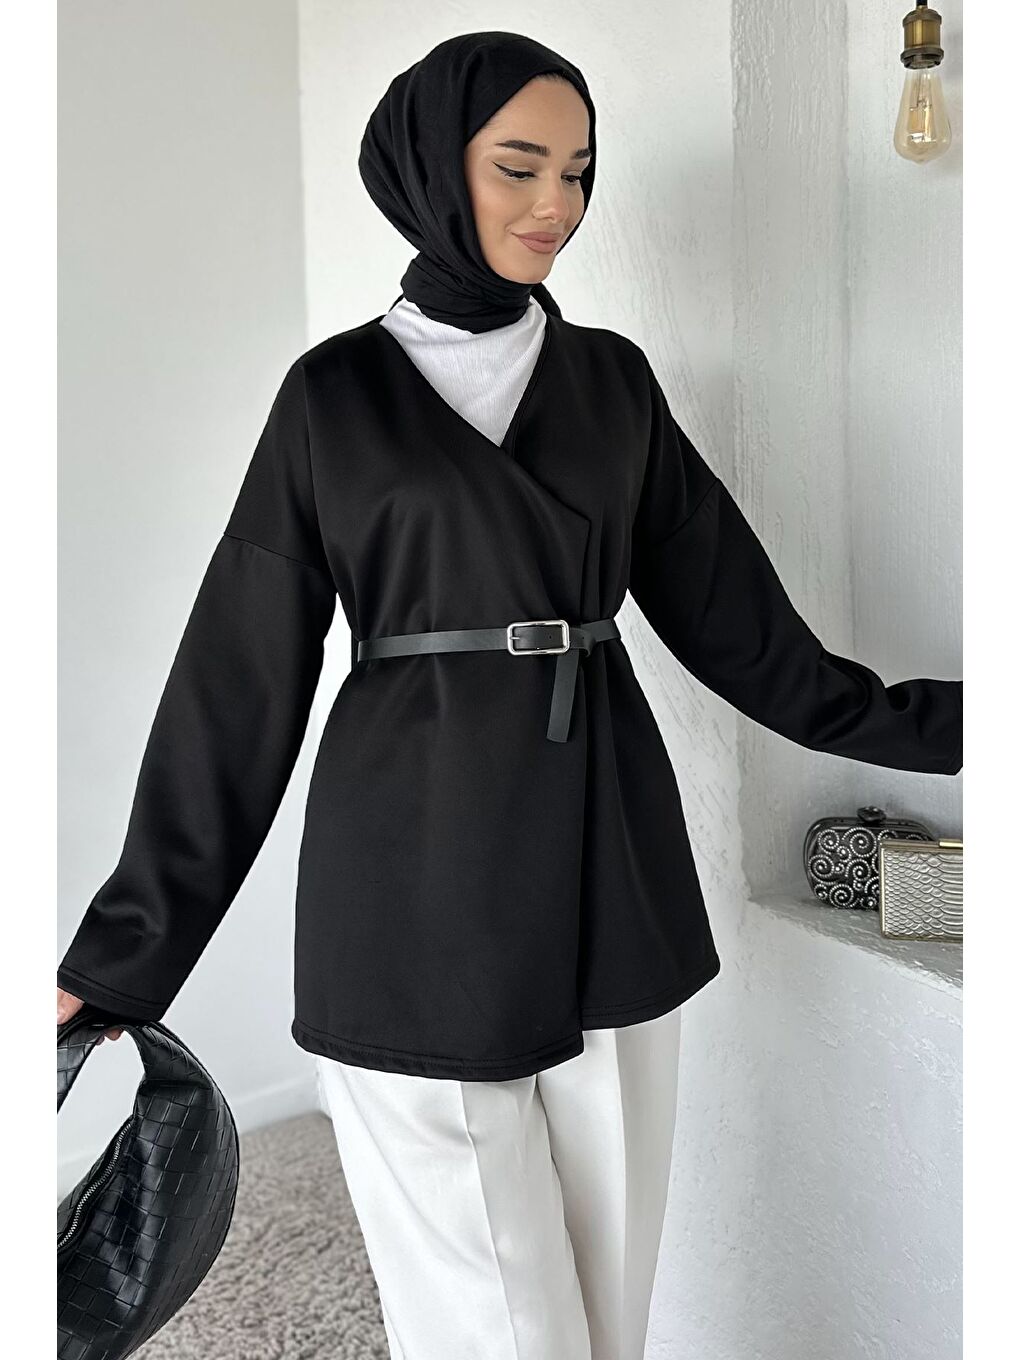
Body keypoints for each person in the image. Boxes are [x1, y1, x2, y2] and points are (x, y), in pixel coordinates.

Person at [57, 31, 962, 1360]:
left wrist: (961, 723)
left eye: (578, 171)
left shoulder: (612, 384)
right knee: (492, 1324)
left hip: (609, 862)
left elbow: (755, 642)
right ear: (434, 167)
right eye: (519, 167)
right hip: (411, 875)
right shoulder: (331, 398)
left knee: (606, 1302)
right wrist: (122, 957)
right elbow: (233, 689)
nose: (557, 206)